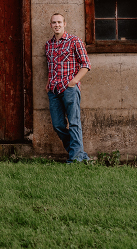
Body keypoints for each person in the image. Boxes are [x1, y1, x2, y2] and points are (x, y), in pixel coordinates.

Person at [45, 13, 91, 163]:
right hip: (54, 90)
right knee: (58, 125)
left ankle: (76, 158)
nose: (56, 25)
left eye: (59, 22)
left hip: (69, 89)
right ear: (50, 25)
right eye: (54, 22)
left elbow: (86, 65)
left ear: (65, 24)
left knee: (74, 122)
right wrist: (48, 82)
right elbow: (50, 67)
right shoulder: (48, 45)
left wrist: (73, 82)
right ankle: (78, 153)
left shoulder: (74, 41)